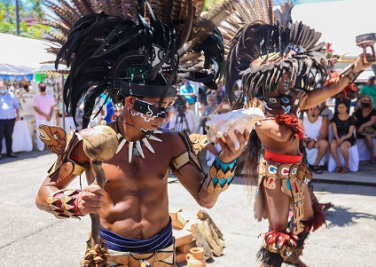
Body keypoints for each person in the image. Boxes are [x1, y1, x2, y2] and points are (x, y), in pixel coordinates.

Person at [35, 1, 242, 267]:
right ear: (130, 103)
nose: (163, 117)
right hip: (110, 254)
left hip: (162, 253)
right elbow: (43, 193)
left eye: (166, 108)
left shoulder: (172, 143)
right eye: (156, 109)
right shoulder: (89, 143)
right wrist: (74, 201)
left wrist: (227, 159)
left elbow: (205, 198)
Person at [222, 3, 371, 266]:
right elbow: (282, 133)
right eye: (284, 75)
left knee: (305, 220)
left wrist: (358, 65)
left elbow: (333, 87)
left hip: (298, 171)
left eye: (291, 74)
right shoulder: (256, 109)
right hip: (274, 176)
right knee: (278, 230)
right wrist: (295, 108)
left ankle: (293, 256)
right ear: (267, 77)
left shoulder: (294, 100)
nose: (289, 79)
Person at [329, 101, 356, 173]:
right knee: (332, 145)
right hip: (338, 136)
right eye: (339, 108)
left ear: (346, 108)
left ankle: (347, 165)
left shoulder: (351, 119)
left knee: (343, 147)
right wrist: (337, 138)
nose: (341, 109)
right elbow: (334, 131)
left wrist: (342, 139)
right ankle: (338, 165)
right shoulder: (335, 118)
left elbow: (350, 133)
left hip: (348, 137)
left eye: (343, 107)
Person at [301, 106, 329, 174]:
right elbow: (299, 132)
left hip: (317, 141)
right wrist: (304, 138)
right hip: (305, 141)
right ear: (308, 110)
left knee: (324, 144)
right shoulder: (302, 120)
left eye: (315, 109)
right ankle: (302, 164)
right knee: (296, 142)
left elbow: (323, 134)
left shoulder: (322, 120)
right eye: (311, 109)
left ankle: (316, 164)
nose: (313, 111)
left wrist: (314, 140)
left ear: (318, 110)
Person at [353, 95, 376, 163]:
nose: (366, 102)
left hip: (370, 131)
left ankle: (372, 156)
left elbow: (373, 121)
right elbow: (353, 121)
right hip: (359, 130)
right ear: (361, 102)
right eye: (364, 100)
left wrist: (362, 126)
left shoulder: (373, 111)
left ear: (370, 102)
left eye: (368, 101)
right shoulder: (358, 111)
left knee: (367, 137)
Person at [0, 80, 20, 158]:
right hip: (1, 119)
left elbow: (17, 106)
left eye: (2, 87)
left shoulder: (11, 95)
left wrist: (18, 116)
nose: (1, 88)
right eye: (0, 87)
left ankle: (10, 152)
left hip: (10, 119)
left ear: (5, 86)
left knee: (9, 136)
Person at [33, 83, 55, 151]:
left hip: (50, 117)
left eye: (44, 86)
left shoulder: (50, 96)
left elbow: (52, 106)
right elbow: (36, 109)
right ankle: (41, 147)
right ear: (39, 88)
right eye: (41, 86)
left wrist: (50, 115)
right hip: (40, 118)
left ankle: (50, 146)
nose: (43, 87)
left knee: (50, 132)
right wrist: (46, 116)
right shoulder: (36, 97)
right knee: (41, 133)